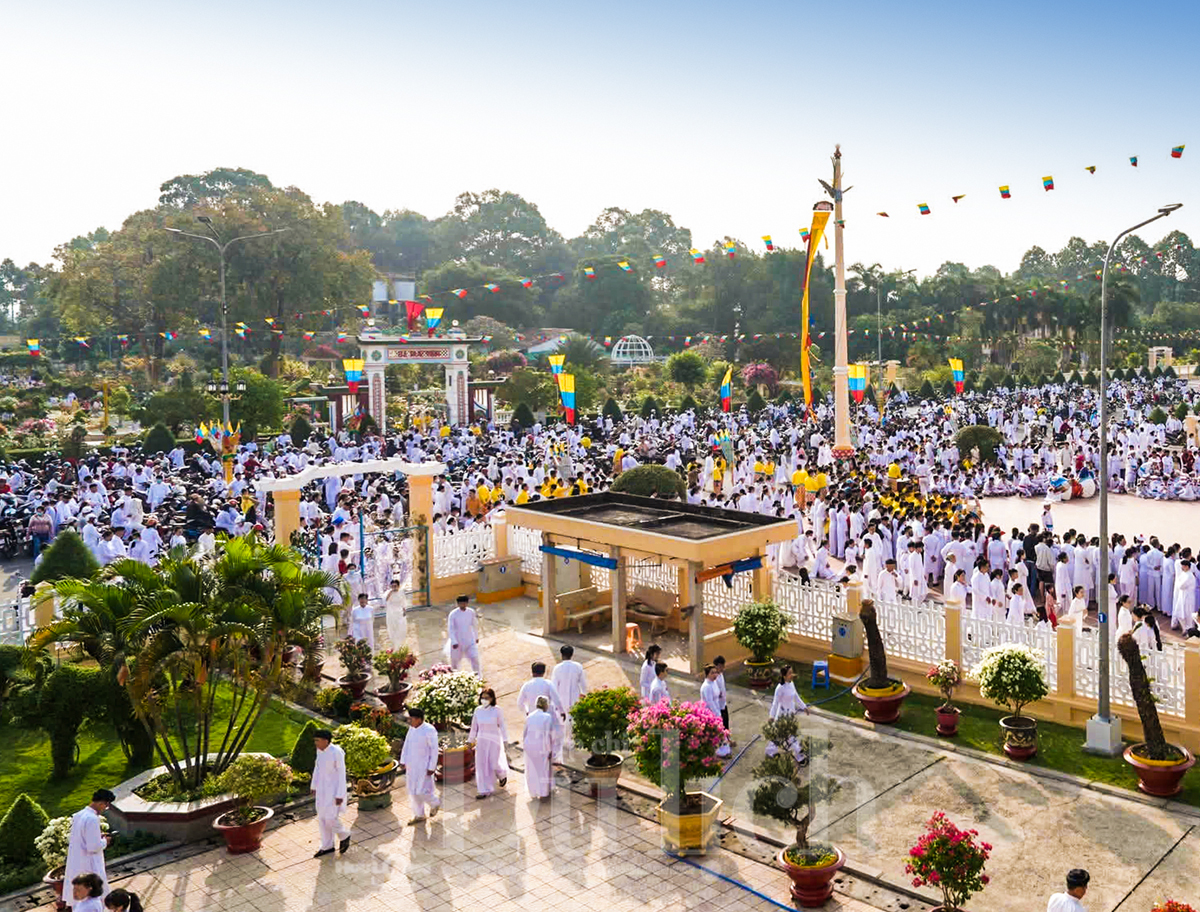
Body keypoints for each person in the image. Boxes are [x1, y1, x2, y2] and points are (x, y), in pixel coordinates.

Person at [63, 789, 114, 906]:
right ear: (102, 803)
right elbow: (93, 847)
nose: (104, 810)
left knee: (80, 899)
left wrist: (98, 837)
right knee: (95, 897)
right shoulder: (92, 819)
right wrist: (105, 841)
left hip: (77, 862)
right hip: (89, 863)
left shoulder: (79, 815)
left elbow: (82, 838)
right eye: (106, 806)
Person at [311, 728, 351, 857]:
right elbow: (317, 768)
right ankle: (327, 846)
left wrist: (340, 794)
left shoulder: (337, 752)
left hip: (333, 791)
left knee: (330, 817)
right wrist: (314, 785)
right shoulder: (319, 751)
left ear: (325, 740)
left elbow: (341, 774)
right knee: (322, 818)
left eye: (317, 740)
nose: (315, 743)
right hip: (321, 790)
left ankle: (344, 834)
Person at [399, 707, 441, 824]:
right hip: (411, 766)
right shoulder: (412, 729)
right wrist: (403, 760)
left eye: (411, 719)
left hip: (424, 766)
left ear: (418, 719)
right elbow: (406, 744)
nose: (409, 722)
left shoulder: (429, 730)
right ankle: (419, 815)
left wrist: (432, 767)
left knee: (421, 790)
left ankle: (435, 803)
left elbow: (434, 750)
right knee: (412, 790)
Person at [468, 687, 509, 799]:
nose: (484, 700)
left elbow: (502, 726)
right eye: (482, 698)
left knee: (493, 763)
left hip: (494, 740)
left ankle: (502, 774)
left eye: (487, 698)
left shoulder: (497, 710)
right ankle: (483, 790)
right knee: (481, 765)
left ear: (492, 698)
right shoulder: (478, 710)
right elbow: (474, 727)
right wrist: (470, 740)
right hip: (481, 741)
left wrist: (505, 740)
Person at [766, 665, 809, 763]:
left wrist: (804, 707)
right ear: (784, 676)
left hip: (791, 714)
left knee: (789, 736)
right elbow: (775, 703)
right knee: (787, 736)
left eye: (792, 672)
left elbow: (796, 697)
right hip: (782, 716)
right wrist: (771, 716)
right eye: (789, 673)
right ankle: (799, 756)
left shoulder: (791, 684)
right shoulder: (780, 688)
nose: (792, 675)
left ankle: (798, 756)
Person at [522, 695, 561, 800]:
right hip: (541, 746)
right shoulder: (547, 717)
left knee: (532, 769)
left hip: (529, 745)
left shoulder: (529, 716)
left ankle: (533, 791)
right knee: (543, 769)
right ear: (546, 705)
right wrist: (550, 750)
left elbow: (525, 733)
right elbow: (549, 735)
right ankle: (543, 793)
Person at [551, 644, 587, 757]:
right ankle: (570, 740)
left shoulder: (557, 668)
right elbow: (583, 683)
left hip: (561, 698)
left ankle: (562, 741)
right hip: (575, 697)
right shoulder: (578, 666)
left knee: (561, 719)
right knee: (572, 719)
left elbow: (554, 686)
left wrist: (553, 701)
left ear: (561, 655)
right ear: (572, 654)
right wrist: (584, 693)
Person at [699, 665, 731, 758]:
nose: (715, 675)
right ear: (707, 674)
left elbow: (717, 694)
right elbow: (710, 702)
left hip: (716, 710)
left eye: (715, 672)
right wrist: (717, 714)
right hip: (710, 713)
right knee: (717, 733)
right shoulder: (706, 686)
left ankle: (723, 750)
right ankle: (720, 751)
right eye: (712, 673)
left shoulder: (714, 683)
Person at [446, 594, 481, 675]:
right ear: (457, 604)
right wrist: (454, 641)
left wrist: (476, 637)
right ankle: (454, 677)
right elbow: (450, 628)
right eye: (461, 603)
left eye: (464, 603)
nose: (463, 605)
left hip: (470, 640)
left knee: (475, 658)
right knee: (455, 662)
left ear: (467, 603)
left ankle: (478, 677)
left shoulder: (471, 612)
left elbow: (474, 625)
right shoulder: (453, 614)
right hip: (457, 642)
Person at [384, 578, 408, 648]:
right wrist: (391, 592)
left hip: (400, 613)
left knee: (401, 628)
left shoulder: (401, 592)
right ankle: (394, 643)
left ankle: (400, 643)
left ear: (398, 586)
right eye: (392, 586)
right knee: (392, 628)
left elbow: (403, 602)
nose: (394, 587)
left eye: (395, 586)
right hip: (391, 613)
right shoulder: (388, 592)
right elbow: (385, 600)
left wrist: (404, 610)